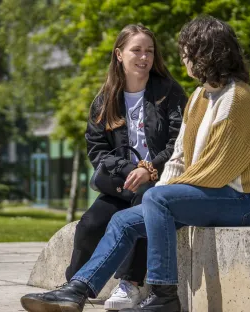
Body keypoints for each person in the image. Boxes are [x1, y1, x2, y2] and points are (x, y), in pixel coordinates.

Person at [20, 15, 250, 312]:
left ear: (204, 53)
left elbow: (218, 170)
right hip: (208, 195)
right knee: (123, 220)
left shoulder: (237, 99)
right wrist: (164, 188)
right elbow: (180, 157)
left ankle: (164, 296)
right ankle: (77, 290)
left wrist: (162, 191)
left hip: (240, 200)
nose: (182, 57)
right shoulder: (200, 96)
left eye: (186, 50)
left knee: (157, 198)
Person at [64, 24, 187, 310]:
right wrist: (126, 169)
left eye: (149, 51)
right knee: (90, 224)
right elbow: (96, 150)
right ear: (119, 54)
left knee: (147, 207)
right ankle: (74, 288)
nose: (144, 57)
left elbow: (179, 141)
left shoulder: (169, 92)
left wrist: (148, 168)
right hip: (121, 183)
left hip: (159, 182)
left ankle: (130, 285)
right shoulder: (105, 100)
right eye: (137, 50)